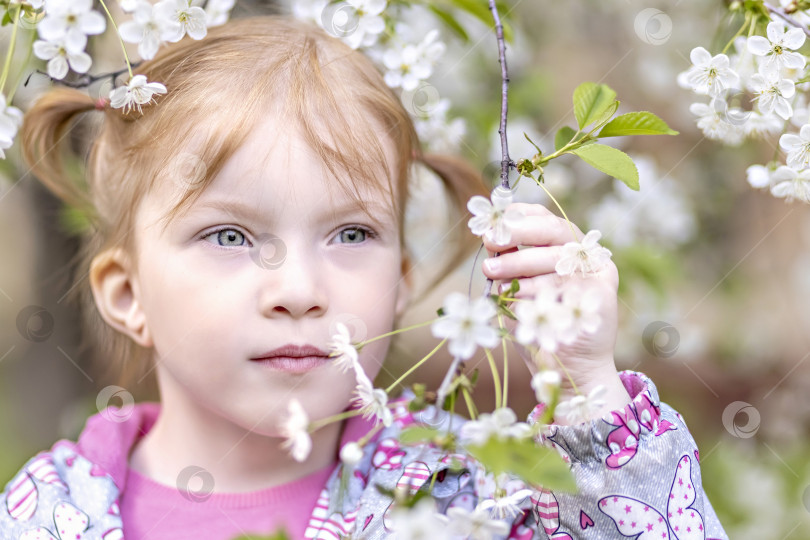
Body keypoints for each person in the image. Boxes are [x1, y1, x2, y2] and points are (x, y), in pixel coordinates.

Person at [0, 14, 728, 540]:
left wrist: (587, 394)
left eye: (352, 233)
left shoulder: (468, 494)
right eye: (229, 234)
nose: (299, 289)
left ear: (402, 281)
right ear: (128, 295)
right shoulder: (49, 513)